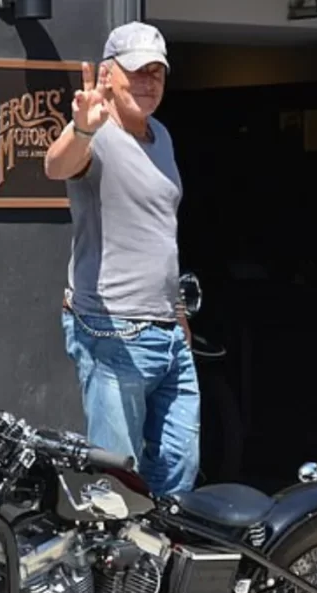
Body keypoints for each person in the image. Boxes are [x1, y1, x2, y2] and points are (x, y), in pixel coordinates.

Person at [44, 22, 199, 496]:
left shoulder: (163, 138)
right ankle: (108, 570)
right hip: (112, 333)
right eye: (137, 72)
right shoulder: (98, 133)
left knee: (178, 466)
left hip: (168, 332)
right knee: (116, 484)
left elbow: (158, 232)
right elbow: (57, 165)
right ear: (108, 75)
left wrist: (177, 314)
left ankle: (154, 566)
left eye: (158, 73)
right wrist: (83, 126)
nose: (149, 83)